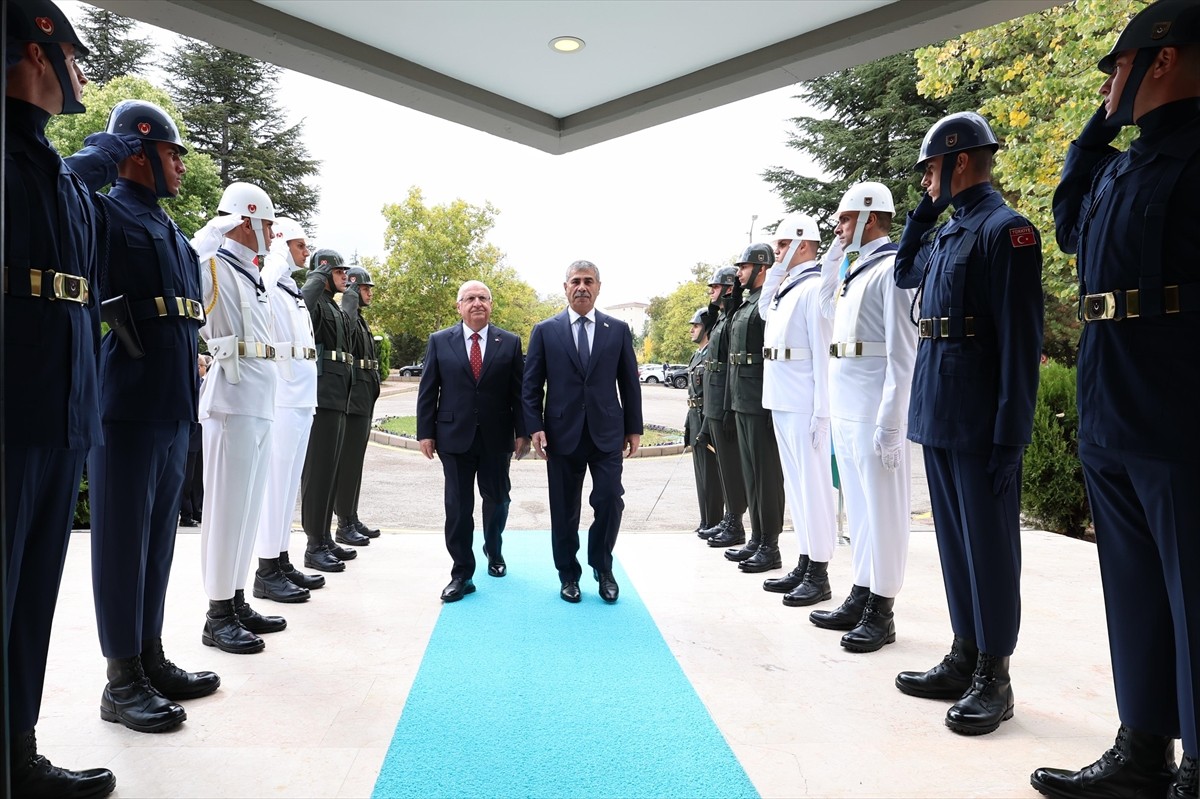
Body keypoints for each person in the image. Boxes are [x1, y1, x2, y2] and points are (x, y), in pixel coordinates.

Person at [1032, 2, 1199, 795]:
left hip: (1178, 400)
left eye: (1117, 69)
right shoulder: (1120, 162)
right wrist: (1093, 135)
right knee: (1130, 585)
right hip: (1111, 396)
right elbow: (1068, 227)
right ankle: (1142, 751)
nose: (1109, 86)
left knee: (1191, 592)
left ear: (1161, 61)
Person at [893, 112, 1043, 736]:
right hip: (940, 409)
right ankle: (964, 654)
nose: (926, 182)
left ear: (958, 162)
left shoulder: (1008, 232)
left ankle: (995, 676)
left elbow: (1019, 341)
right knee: (955, 548)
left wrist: (1013, 434)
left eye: (930, 170)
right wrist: (923, 217)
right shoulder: (951, 232)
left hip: (982, 419)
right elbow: (906, 278)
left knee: (989, 551)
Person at [76, 99, 219, 734]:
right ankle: (120, 678)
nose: (181, 166)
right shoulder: (103, 212)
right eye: (171, 153)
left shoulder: (170, 229)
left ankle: (150, 656)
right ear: (137, 153)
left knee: (158, 544)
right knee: (120, 545)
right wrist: (103, 154)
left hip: (170, 405)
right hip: (125, 402)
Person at [3, 1, 116, 793]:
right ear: (37, 54)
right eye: (73, 55)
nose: (81, 71)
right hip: (10, 411)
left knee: (33, 597)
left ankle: (18, 753)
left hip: (62, 412)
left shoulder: (59, 174)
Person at [809, 182, 917, 654]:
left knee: (884, 514)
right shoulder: (856, 270)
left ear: (870, 218)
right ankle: (861, 590)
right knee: (859, 509)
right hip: (848, 411)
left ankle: (883, 608)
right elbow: (820, 304)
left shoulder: (893, 269)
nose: (837, 226)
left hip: (874, 410)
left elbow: (903, 353)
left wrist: (891, 421)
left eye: (845, 219)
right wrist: (834, 255)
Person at [191, 181, 287, 654]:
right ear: (246, 221)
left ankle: (235, 596)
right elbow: (182, 271)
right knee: (226, 511)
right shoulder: (211, 264)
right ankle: (216, 613)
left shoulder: (251, 273)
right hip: (229, 399)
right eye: (265, 222)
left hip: (258, 397)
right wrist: (210, 235)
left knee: (247, 509)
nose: (271, 231)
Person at [522, 261, 642, 604]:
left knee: (609, 499)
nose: (582, 287)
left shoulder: (616, 329)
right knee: (564, 509)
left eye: (588, 281)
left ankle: (602, 567)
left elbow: (629, 383)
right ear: (565, 287)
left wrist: (634, 427)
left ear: (599, 287)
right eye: (576, 281)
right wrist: (535, 427)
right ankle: (568, 576)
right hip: (561, 435)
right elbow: (531, 386)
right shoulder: (545, 330)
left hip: (607, 433)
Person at [417, 280, 529, 602]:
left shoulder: (508, 342)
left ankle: (494, 550)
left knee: (498, 501)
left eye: (483, 298)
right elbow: (429, 390)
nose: (477, 303)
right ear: (459, 306)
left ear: (491, 305)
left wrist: (523, 431)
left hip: (496, 438)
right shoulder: (440, 341)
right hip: (454, 438)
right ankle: (462, 573)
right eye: (470, 298)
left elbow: (519, 393)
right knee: (457, 507)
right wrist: (426, 432)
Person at [758, 214, 837, 606]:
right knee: (795, 486)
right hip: (781, 396)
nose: (776, 254)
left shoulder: (815, 287)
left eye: (783, 245)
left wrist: (823, 411)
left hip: (805, 400)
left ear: (804, 244)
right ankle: (805, 561)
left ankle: (820, 572)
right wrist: (775, 273)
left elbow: (823, 353)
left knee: (815, 487)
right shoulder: (787, 288)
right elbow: (762, 313)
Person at [252, 217, 324, 605]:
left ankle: (280, 558)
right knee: (275, 486)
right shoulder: (270, 281)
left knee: (288, 485)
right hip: (282, 395)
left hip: (300, 395)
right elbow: (266, 275)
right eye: (300, 245)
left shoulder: (289, 290)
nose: (306, 252)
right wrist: (277, 249)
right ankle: (265, 569)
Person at [724, 243, 786, 574]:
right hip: (742, 397)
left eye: (744, 267)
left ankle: (770, 544)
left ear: (762, 268)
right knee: (751, 474)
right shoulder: (747, 304)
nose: (739, 273)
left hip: (761, 398)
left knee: (766, 476)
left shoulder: (768, 304)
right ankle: (758, 536)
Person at [299, 248, 360, 570]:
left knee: (331, 471)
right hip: (321, 395)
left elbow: (348, 337)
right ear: (323, 274)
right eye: (337, 273)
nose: (344, 279)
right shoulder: (314, 302)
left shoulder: (332, 307)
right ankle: (313, 544)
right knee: (318, 473)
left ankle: (323, 538)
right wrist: (317, 276)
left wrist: (348, 301)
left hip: (337, 395)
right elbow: (301, 311)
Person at [334, 266, 385, 544]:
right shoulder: (349, 315)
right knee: (349, 461)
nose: (369, 293)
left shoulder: (362, 321)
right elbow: (348, 336)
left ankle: (351, 516)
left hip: (364, 393)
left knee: (356, 462)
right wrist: (349, 300)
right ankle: (343, 523)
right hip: (354, 397)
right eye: (364, 288)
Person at [700, 266, 749, 548]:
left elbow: (731, 365)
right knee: (723, 464)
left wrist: (729, 405)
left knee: (731, 465)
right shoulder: (722, 319)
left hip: (724, 399)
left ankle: (735, 521)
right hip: (715, 398)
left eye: (716, 287)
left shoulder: (732, 318)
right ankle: (730, 517)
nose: (711, 292)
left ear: (729, 288)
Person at [683, 307, 723, 538]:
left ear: (706, 328)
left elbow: (711, 395)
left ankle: (715, 521)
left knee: (711, 475)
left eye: (696, 326)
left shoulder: (710, 355)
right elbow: (692, 394)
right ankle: (705, 519)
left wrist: (706, 426)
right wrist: (689, 423)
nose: (692, 330)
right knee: (701, 475)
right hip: (696, 418)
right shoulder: (697, 355)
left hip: (707, 419)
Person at [179, 355, 210, 528]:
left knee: (199, 477)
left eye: (203, 366)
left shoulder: (206, 383)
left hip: (202, 434)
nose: (200, 369)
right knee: (188, 477)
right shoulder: (192, 383)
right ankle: (187, 513)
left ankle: (197, 510)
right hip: (191, 434)